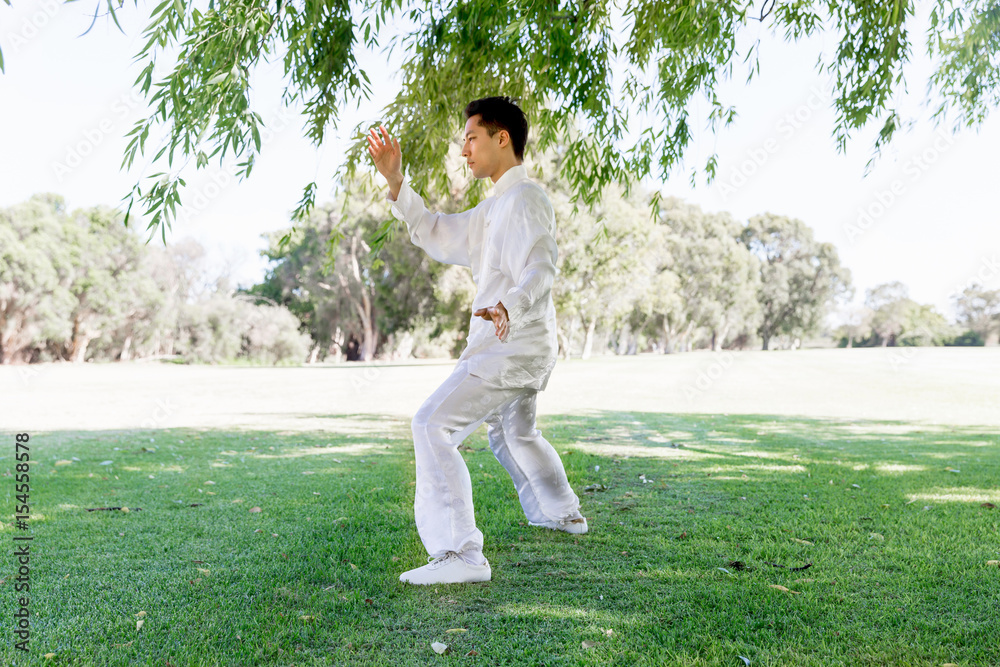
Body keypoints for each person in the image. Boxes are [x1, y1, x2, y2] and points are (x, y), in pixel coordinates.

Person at [366, 96, 587, 585]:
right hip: (522, 346)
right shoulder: (494, 208)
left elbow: (541, 264)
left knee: (430, 424)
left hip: (508, 346)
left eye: (471, 138)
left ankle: (460, 552)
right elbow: (437, 230)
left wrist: (511, 305)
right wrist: (396, 183)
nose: (464, 150)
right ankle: (563, 512)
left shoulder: (526, 198)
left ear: (501, 137)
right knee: (515, 433)